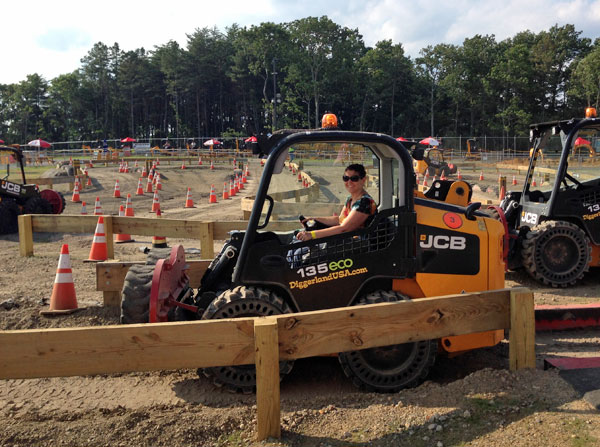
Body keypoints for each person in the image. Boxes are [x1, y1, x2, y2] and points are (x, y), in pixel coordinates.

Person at [296, 163, 376, 242]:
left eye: (354, 178)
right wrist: (315, 219)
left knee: (300, 251)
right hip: (348, 241)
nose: (349, 182)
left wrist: (312, 235)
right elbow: (339, 220)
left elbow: (344, 229)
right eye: (346, 178)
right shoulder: (350, 199)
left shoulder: (365, 202)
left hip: (359, 245)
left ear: (363, 180)